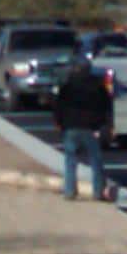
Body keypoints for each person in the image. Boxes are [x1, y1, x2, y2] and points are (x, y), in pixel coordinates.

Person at [52, 55, 114, 202]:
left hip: (71, 127)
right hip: (91, 128)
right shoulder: (98, 86)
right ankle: (98, 192)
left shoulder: (67, 86)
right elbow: (106, 106)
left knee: (70, 161)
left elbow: (58, 107)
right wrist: (105, 124)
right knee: (95, 160)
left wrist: (59, 123)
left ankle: (70, 191)